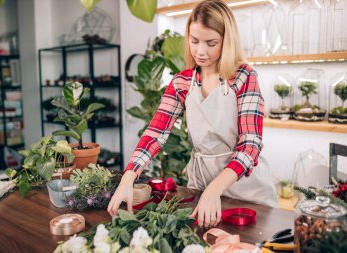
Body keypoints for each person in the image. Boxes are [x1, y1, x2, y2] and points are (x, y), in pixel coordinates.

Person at [108, 0, 278, 227]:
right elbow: (155, 134)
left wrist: (214, 190)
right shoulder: (182, 82)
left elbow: (250, 145)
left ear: (226, 41)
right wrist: (128, 178)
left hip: (248, 193)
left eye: (211, 43)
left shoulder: (244, 77)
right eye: (194, 40)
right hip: (201, 188)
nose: (200, 51)